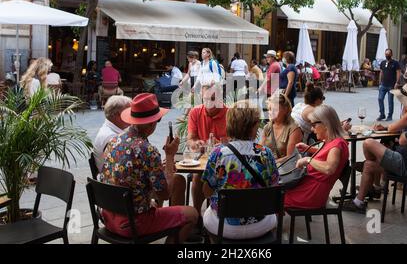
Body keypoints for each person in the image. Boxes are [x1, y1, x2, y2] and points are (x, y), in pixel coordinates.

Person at [100, 93, 198, 242]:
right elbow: (164, 194)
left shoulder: (114, 141)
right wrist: (170, 156)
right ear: (152, 124)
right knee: (192, 214)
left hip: (108, 217)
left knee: (159, 197)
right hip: (133, 223)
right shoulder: (147, 150)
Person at [201, 100, 279, 240]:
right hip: (260, 225)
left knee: (205, 212)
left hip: (224, 226)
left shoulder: (218, 153)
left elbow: (207, 192)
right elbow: (274, 187)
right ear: (253, 126)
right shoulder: (265, 153)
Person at [284, 105, 349, 209]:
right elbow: (327, 154)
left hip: (311, 194)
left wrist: (308, 160)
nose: (311, 129)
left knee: (273, 197)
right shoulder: (334, 142)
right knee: (274, 193)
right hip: (310, 190)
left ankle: (267, 224)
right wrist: (309, 149)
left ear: (326, 124)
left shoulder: (337, 145)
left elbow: (329, 168)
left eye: (314, 125)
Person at [187, 84, 228, 219]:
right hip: (203, 158)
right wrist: (196, 144)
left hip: (225, 159)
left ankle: (220, 214)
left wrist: (221, 144)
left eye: (213, 99)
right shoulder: (195, 112)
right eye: (206, 99)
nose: (209, 103)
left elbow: (236, 141)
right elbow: (190, 140)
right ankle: (197, 215)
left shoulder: (230, 113)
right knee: (198, 177)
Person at [261, 92, 302, 164]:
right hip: (269, 168)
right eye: (269, 109)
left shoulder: (294, 129)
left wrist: (271, 164)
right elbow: (260, 149)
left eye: (275, 109)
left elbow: (290, 157)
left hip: (286, 169)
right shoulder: (267, 127)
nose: (271, 112)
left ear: (285, 110)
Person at [93, 95, 132, 171]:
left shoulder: (110, 129)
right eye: (128, 113)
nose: (131, 116)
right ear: (117, 115)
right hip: (111, 178)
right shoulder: (112, 137)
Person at [377, 49, 401, 121]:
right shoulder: (383, 62)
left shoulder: (395, 63)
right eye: (386, 54)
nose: (387, 55)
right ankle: (382, 114)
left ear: (391, 54)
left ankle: (390, 116)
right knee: (380, 98)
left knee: (390, 101)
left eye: (388, 54)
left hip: (391, 85)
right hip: (383, 84)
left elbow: (398, 72)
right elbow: (381, 72)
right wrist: (379, 82)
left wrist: (397, 82)